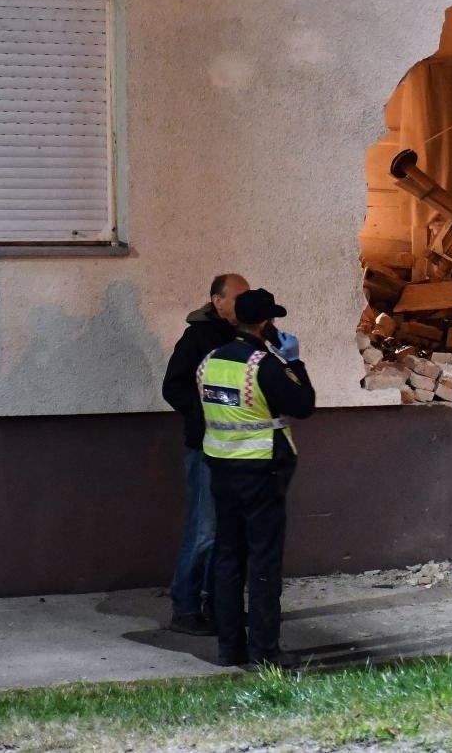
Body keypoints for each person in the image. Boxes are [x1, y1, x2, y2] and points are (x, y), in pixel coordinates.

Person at [199, 288, 314, 668]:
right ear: (265, 323)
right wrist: (294, 362)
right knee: (264, 562)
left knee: (228, 556)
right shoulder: (264, 365)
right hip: (261, 469)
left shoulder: (211, 360)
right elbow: (303, 405)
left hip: (220, 467)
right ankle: (265, 650)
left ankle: (228, 647)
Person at [159, 273, 249, 635]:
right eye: (238, 296)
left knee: (228, 530)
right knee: (204, 529)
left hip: (238, 448)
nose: (244, 303)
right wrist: (205, 416)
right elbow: (173, 387)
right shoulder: (197, 338)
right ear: (217, 300)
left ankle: (218, 605)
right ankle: (184, 608)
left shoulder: (244, 337)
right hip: (205, 447)